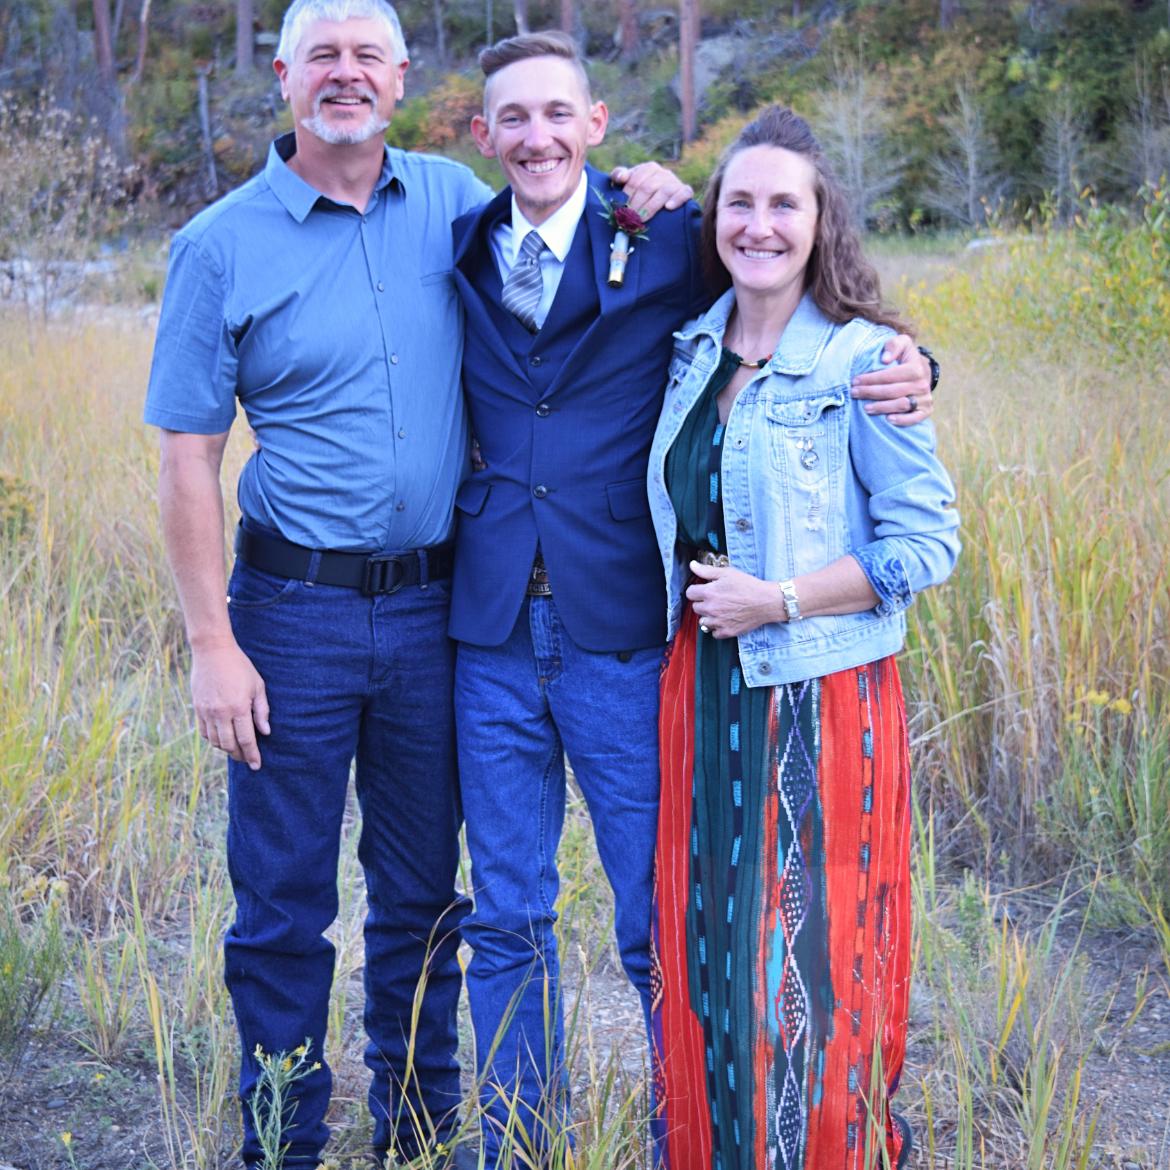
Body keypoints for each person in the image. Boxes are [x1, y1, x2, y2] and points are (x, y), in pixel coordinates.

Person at [449, 36, 939, 1167]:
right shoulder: (456, 237)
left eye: (556, 114)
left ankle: (697, 1137)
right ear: (482, 136)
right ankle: (518, 1145)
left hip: (624, 630)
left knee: (661, 919)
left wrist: (923, 367)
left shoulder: (672, 236)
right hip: (485, 630)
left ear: (598, 121)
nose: (535, 137)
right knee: (507, 912)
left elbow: (825, 317)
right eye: (511, 119)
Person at [143, 1, 492, 1164]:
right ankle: (284, 1141)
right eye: (321, 57)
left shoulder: (456, 203)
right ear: (285, 76)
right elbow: (189, 455)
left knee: (423, 893)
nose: (344, 75)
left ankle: (417, 1128)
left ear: (401, 75)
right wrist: (210, 644)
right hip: (288, 621)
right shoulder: (218, 244)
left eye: (366, 56)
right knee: (284, 902)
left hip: (441, 615)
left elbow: (588, 239)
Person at [646, 106, 960, 1170]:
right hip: (701, 690)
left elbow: (926, 544)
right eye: (741, 202)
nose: (761, 223)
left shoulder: (868, 364)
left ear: (823, 223)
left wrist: (774, 600)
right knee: (712, 959)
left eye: (786, 203)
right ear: (715, 218)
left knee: (821, 962)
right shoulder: (690, 350)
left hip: (818, 698)